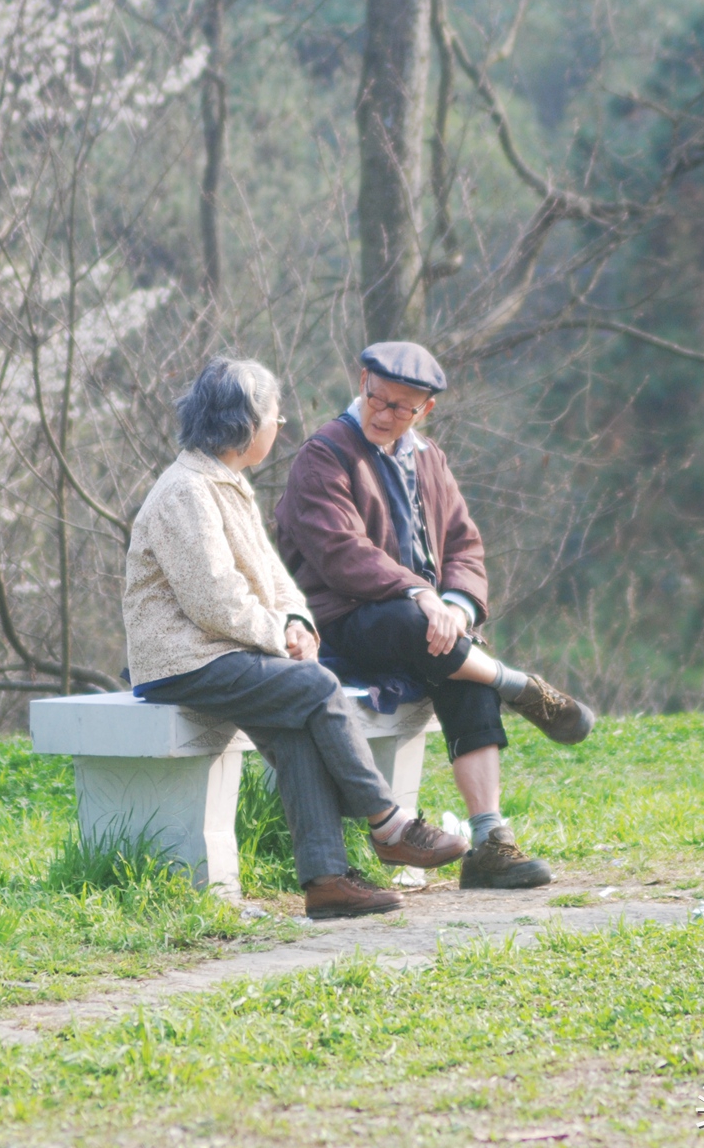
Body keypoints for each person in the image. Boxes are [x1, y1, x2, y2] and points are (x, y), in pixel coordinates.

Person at [124, 357, 468, 919]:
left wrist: (297, 623)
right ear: (244, 423)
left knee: (297, 728)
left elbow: (273, 577)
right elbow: (213, 598)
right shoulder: (185, 491)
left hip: (227, 650)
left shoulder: (227, 483)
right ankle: (389, 825)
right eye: (273, 416)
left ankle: (327, 881)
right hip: (183, 660)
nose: (279, 425)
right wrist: (279, 638)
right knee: (315, 687)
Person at [275, 341, 595, 891]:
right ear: (362, 380)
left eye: (402, 407)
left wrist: (454, 604)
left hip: (426, 626)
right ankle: (520, 686)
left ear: (426, 409)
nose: (383, 413)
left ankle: (491, 841)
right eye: (377, 398)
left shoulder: (429, 457)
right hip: (342, 623)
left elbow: (465, 548)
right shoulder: (324, 454)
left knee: (458, 668)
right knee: (429, 635)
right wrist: (421, 595)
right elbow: (341, 553)